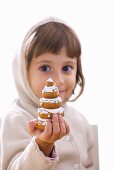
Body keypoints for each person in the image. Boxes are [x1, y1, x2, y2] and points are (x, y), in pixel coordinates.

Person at [0, 17, 95, 170]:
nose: (58, 80)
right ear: (23, 72)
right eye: (45, 68)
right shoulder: (16, 118)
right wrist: (43, 145)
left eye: (67, 68)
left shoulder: (80, 121)